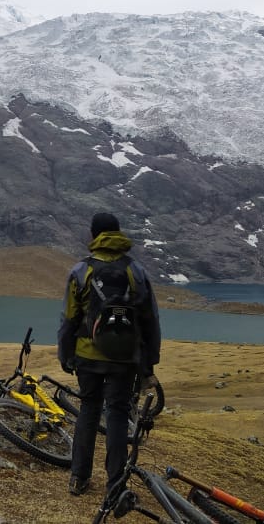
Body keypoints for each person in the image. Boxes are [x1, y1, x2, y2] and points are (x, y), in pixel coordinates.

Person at [57, 212, 161, 497]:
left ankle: (79, 478)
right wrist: (148, 363)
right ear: (117, 233)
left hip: (88, 356)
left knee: (88, 411)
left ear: (93, 236)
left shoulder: (81, 270)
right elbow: (150, 319)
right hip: (125, 358)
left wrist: (65, 354)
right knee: (116, 414)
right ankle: (115, 484)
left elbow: (69, 318)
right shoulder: (136, 271)